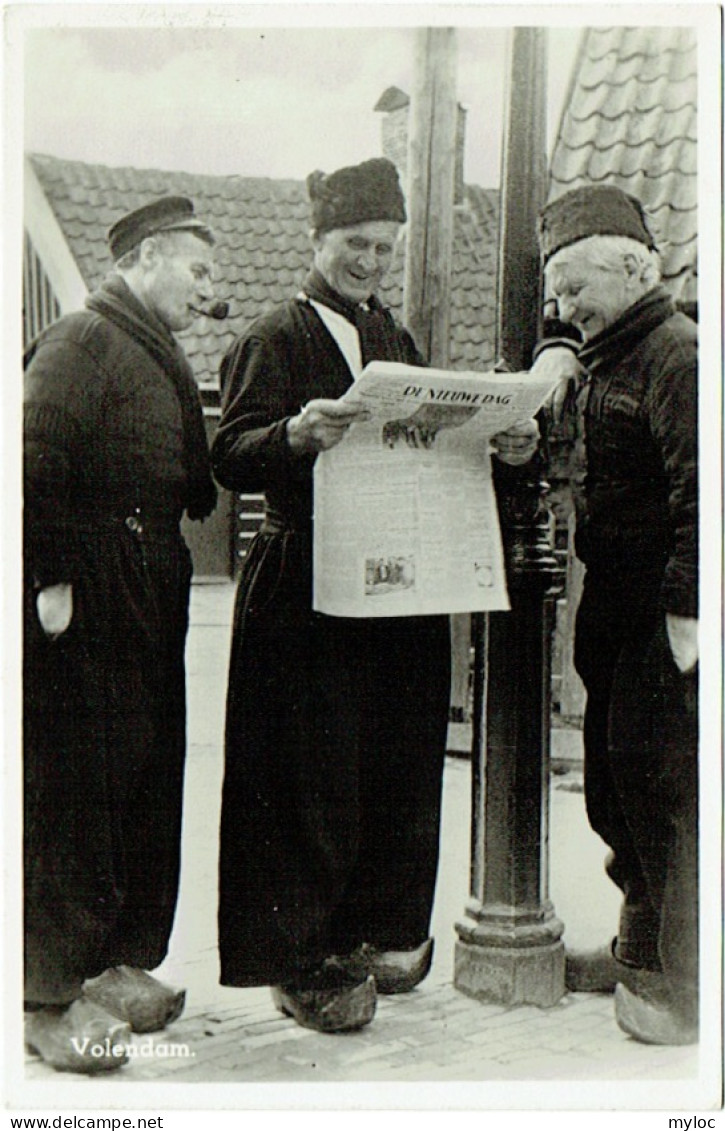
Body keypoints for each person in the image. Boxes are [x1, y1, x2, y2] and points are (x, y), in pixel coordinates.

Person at [211, 156, 539, 1032]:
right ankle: (298, 954)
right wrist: (293, 431)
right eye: (356, 243)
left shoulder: (394, 338)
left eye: (384, 247)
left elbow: (428, 444)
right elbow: (228, 454)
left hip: (393, 579)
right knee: (303, 771)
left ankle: (372, 930)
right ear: (317, 240)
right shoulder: (271, 337)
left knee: (387, 759)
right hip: (303, 586)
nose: (370, 261)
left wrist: (498, 445)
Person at [23, 197, 219, 1072]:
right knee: (71, 794)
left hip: (145, 592)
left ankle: (109, 959)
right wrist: (54, 581)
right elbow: (30, 457)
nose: (208, 289)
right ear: (144, 258)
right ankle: (45, 996)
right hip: (89, 601)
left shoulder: (153, 348)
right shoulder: (80, 343)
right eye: (196, 268)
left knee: (139, 779)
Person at [536, 184, 698, 1045]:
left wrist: (686, 616)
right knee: (617, 786)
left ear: (633, 269)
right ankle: (641, 947)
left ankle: (681, 987)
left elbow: (702, 493)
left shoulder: (677, 356)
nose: (562, 309)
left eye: (572, 288)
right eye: (554, 291)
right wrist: (558, 343)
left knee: (668, 792)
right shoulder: (609, 352)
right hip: (614, 605)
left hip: (659, 614)